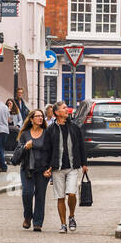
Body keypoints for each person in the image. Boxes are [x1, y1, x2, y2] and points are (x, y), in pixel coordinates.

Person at [48, 100, 87, 234]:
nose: (67, 110)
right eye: (64, 108)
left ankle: (71, 216)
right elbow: (48, 150)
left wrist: (84, 163)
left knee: (71, 193)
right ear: (57, 113)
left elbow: (81, 146)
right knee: (60, 197)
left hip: (72, 166)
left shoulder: (74, 127)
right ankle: (63, 224)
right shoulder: (51, 129)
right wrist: (48, 167)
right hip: (57, 168)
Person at [11, 108, 54, 231]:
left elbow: (51, 152)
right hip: (27, 169)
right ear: (31, 119)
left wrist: (50, 169)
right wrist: (25, 147)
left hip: (43, 169)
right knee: (27, 193)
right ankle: (28, 216)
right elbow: (18, 152)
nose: (41, 118)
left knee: (40, 196)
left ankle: (38, 222)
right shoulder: (24, 134)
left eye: (42, 116)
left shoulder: (47, 133)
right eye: (38, 116)